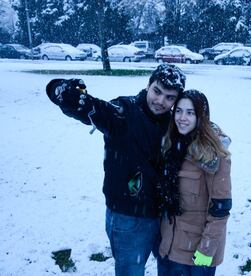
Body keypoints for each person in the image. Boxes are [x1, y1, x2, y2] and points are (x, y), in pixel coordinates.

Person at [45, 64, 186, 276]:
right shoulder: (123, 112)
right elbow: (92, 109)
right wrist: (63, 92)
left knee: (171, 269)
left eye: (169, 97)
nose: (160, 101)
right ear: (148, 85)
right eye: (157, 91)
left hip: (165, 216)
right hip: (129, 219)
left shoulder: (174, 122)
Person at [156, 89, 232, 276]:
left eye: (190, 113)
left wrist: (205, 252)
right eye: (179, 111)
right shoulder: (170, 146)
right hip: (168, 248)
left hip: (198, 254)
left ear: (201, 117)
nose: (182, 118)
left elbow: (220, 209)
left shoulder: (214, 154)